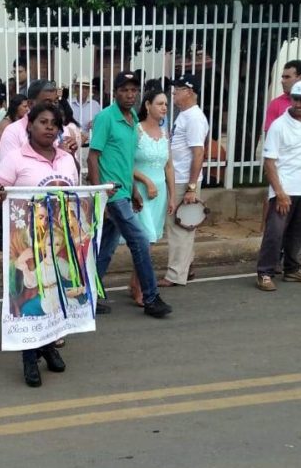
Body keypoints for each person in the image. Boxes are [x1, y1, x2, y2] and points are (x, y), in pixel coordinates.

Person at [0, 102, 76, 387]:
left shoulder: (66, 159)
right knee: (30, 297)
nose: (49, 127)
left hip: (60, 242)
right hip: (26, 244)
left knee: (55, 295)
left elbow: (76, 196)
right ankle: (29, 357)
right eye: (43, 121)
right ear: (30, 126)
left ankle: (48, 346)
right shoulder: (15, 158)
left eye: (54, 123)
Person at [88, 71, 171, 317]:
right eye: (124, 89)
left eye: (133, 90)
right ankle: (151, 297)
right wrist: (98, 196)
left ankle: (88, 295)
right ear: (115, 92)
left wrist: (134, 190)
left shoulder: (133, 116)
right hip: (110, 193)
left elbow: (125, 160)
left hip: (125, 191)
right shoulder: (105, 118)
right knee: (141, 240)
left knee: (107, 248)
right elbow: (94, 157)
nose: (129, 94)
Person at [256, 80, 301, 291]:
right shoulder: (278, 126)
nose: (299, 103)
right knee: (275, 232)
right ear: (290, 98)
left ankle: (292, 268)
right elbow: (269, 162)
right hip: (284, 188)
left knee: (298, 230)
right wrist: (280, 193)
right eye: (296, 99)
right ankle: (265, 272)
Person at [160, 73, 210, 287]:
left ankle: (175, 275)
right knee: (182, 226)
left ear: (189, 92)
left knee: (179, 227)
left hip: (183, 180)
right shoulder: (185, 115)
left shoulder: (194, 118)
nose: (174, 93)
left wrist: (191, 187)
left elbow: (198, 153)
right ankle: (185, 268)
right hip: (178, 177)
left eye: (178, 90)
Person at [128, 83, 175, 304]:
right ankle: (140, 288)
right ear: (147, 105)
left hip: (160, 193)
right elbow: (126, 164)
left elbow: (168, 167)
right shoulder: (136, 130)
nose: (164, 107)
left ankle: (135, 282)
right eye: (159, 103)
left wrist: (173, 196)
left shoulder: (165, 133)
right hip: (142, 192)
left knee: (151, 239)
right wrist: (145, 181)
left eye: (166, 104)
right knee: (143, 240)